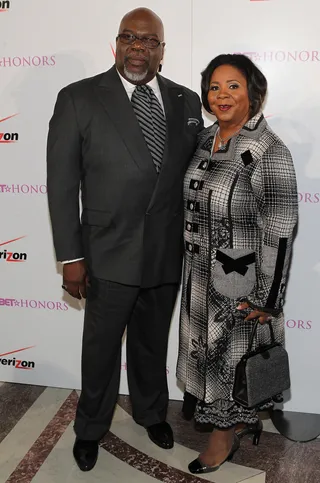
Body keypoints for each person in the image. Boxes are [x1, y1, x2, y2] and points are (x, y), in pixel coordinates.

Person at [47, 7, 203, 472]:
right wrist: (71, 257)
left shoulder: (187, 100)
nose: (139, 48)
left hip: (165, 251)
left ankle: (152, 411)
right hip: (105, 253)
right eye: (129, 38)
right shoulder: (78, 97)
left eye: (149, 41)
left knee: (151, 343)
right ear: (116, 43)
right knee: (100, 348)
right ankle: (90, 427)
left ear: (161, 49)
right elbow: (61, 185)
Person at [177, 54, 298, 474]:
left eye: (233, 86)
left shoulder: (269, 150)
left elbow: (281, 230)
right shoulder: (204, 139)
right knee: (206, 356)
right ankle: (238, 421)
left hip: (240, 283)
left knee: (229, 360)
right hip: (197, 277)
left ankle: (223, 436)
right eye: (214, 86)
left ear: (254, 93)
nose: (222, 95)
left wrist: (269, 299)